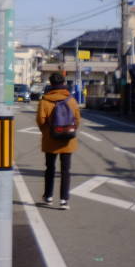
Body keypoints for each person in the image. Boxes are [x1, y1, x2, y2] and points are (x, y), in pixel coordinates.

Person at [36, 72, 81, 209]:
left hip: (50, 139)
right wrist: (68, 131)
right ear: (63, 83)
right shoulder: (71, 100)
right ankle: (64, 200)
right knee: (65, 170)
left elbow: (40, 120)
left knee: (50, 168)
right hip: (67, 140)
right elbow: (77, 120)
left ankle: (48, 196)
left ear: (51, 84)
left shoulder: (44, 101)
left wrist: (47, 132)